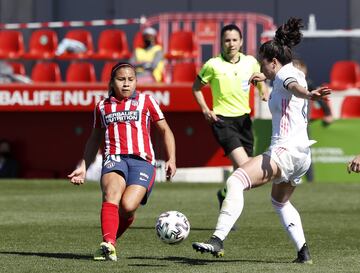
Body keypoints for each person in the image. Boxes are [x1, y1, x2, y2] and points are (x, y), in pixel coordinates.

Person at [192, 17, 331, 264]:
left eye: (263, 64)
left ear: (274, 62)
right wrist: (265, 79)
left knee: (235, 181)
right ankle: (303, 253)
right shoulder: (286, 72)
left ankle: (217, 239)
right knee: (279, 201)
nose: (260, 68)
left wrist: (309, 94)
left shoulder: (287, 76)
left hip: (285, 151)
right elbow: (283, 83)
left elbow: (293, 86)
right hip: (301, 156)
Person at [68, 62, 176, 261]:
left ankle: (112, 237)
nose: (126, 84)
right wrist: (83, 166)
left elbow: (165, 130)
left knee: (127, 207)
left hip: (143, 162)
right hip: (114, 158)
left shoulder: (147, 101)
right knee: (112, 194)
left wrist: (171, 159)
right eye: (121, 79)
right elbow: (94, 139)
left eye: (131, 79)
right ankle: (108, 244)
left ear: (136, 82)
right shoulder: (102, 106)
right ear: (111, 82)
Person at [192, 24, 268, 213]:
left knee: (240, 175)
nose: (231, 44)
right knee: (246, 168)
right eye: (227, 40)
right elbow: (195, 88)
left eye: (235, 40)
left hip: (244, 121)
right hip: (222, 121)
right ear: (221, 42)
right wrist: (205, 110)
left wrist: (263, 91)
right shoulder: (213, 65)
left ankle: (224, 195)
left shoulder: (250, 62)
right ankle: (228, 211)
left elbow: (259, 81)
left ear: (241, 42)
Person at [292, 58, 333, 182]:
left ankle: (310, 179)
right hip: (288, 125)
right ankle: (289, 178)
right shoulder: (288, 85)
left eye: (300, 72)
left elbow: (321, 97)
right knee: (288, 153)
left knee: (304, 152)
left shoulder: (307, 84)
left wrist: (328, 113)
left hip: (303, 125)